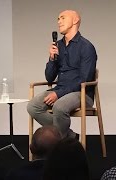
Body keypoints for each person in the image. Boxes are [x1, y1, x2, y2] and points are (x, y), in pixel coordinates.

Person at [27, 10, 97, 138]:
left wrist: (58, 94)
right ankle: (68, 136)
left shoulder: (86, 47)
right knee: (33, 106)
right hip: (59, 89)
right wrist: (52, 58)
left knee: (59, 107)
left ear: (75, 20)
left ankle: (57, 144)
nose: (59, 21)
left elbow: (84, 79)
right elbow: (49, 78)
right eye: (58, 19)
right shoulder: (58, 45)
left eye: (63, 18)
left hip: (81, 93)